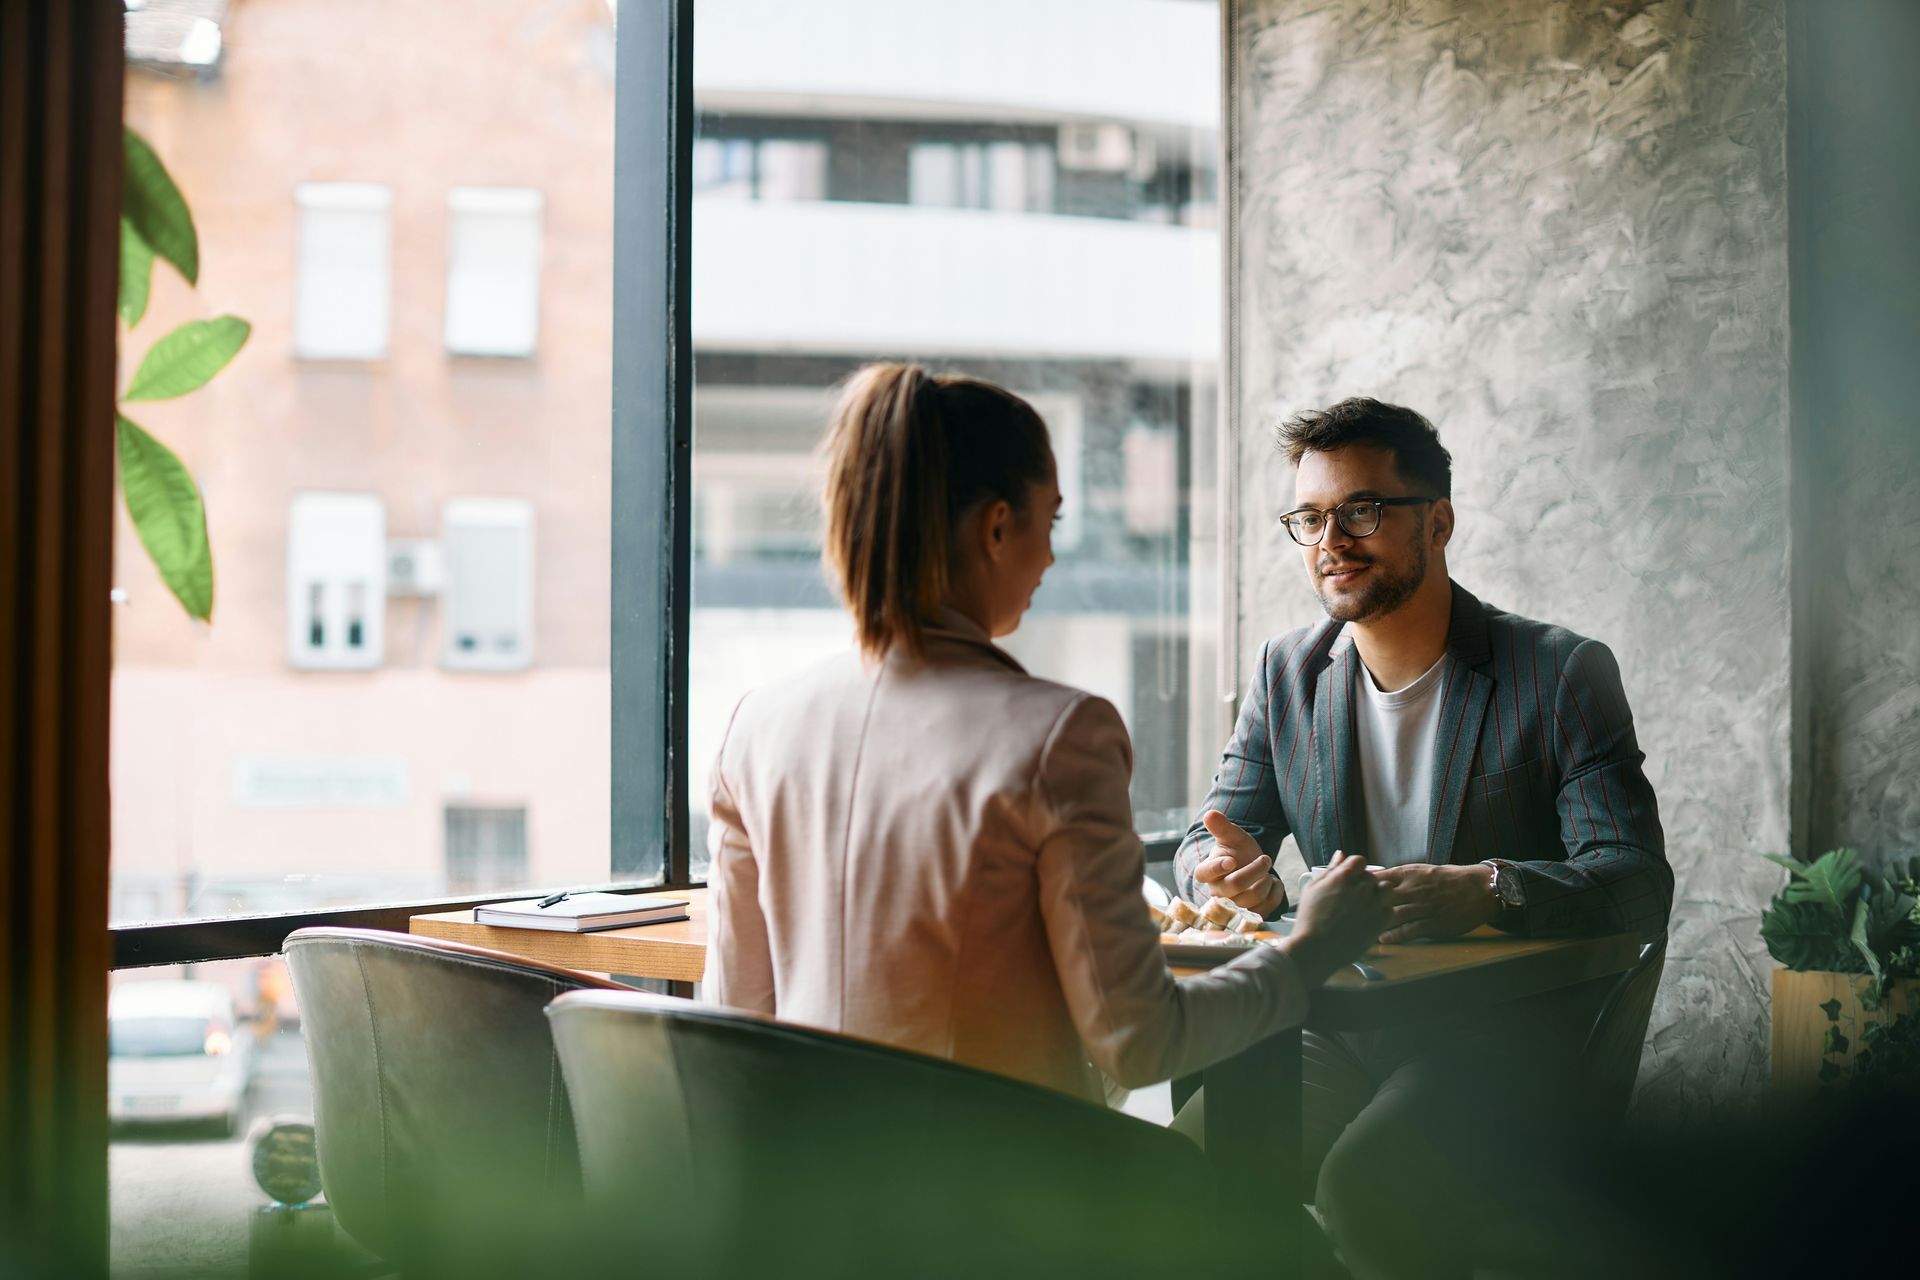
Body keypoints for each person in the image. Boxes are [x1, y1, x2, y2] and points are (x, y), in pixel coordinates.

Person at [705, 363, 1390, 1105]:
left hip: (812, 1195)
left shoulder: (757, 725)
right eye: (1051, 520)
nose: (1053, 556)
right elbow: (1139, 1040)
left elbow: (733, 1019)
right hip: (1008, 1194)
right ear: (998, 527)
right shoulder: (1059, 734)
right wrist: (1311, 950)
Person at [1173, 397, 1672, 1279]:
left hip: (1495, 1040)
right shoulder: (1286, 672)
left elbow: (1634, 878)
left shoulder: (1560, 672)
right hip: (1332, 1027)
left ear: (1437, 521)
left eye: (1361, 509)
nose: (1331, 539)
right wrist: (1225, 874)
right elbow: (1209, 838)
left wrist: (1486, 887)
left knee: (1372, 1190)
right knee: (1188, 1177)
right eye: (1311, 517)